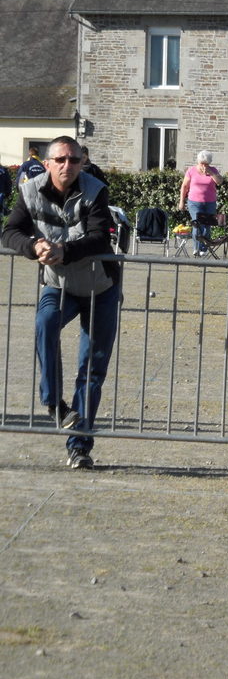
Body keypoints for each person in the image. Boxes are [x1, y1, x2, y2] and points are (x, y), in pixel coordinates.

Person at [0, 135, 121, 470]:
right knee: (45, 323)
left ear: (82, 162)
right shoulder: (30, 190)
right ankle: (54, 403)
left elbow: (99, 236)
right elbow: (9, 232)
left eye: (75, 159)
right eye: (61, 159)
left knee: (91, 370)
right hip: (58, 284)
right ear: (47, 163)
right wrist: (33, 246)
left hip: (100, 287)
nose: (68, 165)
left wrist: (63, 250)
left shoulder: (95, 190)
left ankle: (79, 446)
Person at [178, 151, 223, 256]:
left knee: (207, 226)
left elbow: (219, 181)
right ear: (198, 162)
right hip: (194, 202)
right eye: (202, 163)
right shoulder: (191, 171)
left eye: (206, 164)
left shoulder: (213, 170)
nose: (203, 166)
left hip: (210, 203)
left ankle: (204, 248)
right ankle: (196, 248)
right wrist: (181, 202)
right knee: (197, 224)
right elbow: (184, 186)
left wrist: (211, 173)